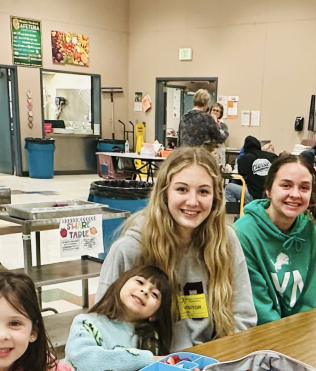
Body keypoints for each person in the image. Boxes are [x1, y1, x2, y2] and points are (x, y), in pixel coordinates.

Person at [98, 147, 257, 351]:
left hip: (210, 362)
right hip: (148, 366)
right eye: (181, 189)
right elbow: (102, 329)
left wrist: (216, 362)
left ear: (216, 197)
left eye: (203, 191)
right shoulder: (130, 249)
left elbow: (242, 318)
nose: (192, 201)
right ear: (164, 193)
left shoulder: (226, 242)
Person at [234, 154, 316, 324]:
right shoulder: (243, 234)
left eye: (304, 188)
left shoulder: (312, 232)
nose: (295, 194)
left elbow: (314, 297)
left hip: (301, 331)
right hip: (260, 334)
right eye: (286, 185)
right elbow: (259, 307)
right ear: (269, 189)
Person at [67, 265, 174, 371]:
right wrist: (149, 359)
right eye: (140, 282)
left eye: (154, 294)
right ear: (121, 283)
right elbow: (84, 365)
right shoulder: (85, 322)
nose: (145, 291)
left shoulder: (151, 337)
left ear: (155, 314)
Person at [227, 135, 277, 204]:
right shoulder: (272, 156)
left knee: (229, 188)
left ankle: (238, 213)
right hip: (272, 196)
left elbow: (241, 174)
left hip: (255, 197)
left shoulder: (244, 159)